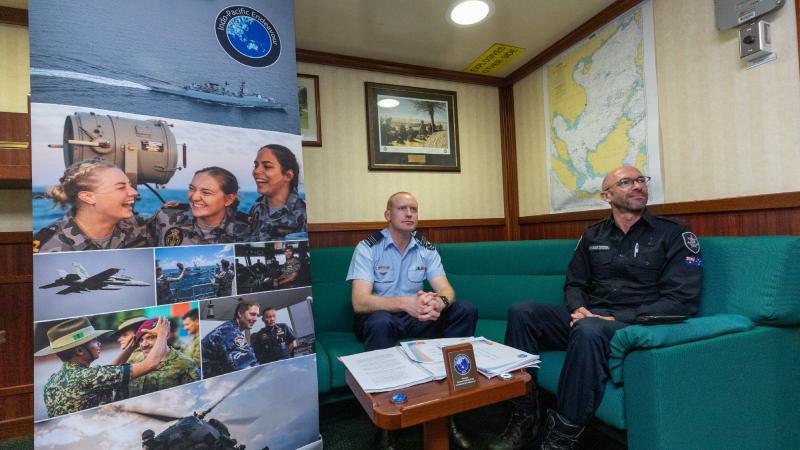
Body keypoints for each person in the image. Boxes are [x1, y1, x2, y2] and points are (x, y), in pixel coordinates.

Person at [490, 166, 704, 450]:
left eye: (641, 180)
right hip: (591, 317)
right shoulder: (594, 235)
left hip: (634, 322)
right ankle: (525, 415)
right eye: (626, 182)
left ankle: (562, 436)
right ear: (607, 196)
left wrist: (613, 317)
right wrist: (578, 308)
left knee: (588, 329)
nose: (637, 186)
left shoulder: (674, 234)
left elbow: (682, 300)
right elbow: (575, 283)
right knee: (523, 312)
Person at [346, 192, 477, 450]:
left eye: (414, 209)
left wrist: (439, 303)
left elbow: (446, 290)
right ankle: (386, 423)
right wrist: (405, 302)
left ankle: (450, 409)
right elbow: (359, 302)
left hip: (416, 316)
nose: (409, 214)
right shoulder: (368, 248)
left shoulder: (426, 248)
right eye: (402, 208)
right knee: (381, 322)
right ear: (388, 215)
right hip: (379, 317)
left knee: (464, 310)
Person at [36, 316, 169, 418]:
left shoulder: (52, 382)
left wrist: (130, 348)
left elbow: (108, 372)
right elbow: (150, 364)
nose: (99, 343)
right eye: (94, 340)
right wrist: (162, 334)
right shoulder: (89, 376)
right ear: (79, 351)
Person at [33, 159, 149, 253]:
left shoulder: (141, 227)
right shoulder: (46, 246)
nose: (134, 192)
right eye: (121, 187)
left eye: (130, 185)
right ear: (88, 197)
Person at [149, 167, 249, 246]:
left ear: (228, 200)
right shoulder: (166, 216)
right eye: (192, 189)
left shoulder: (246, 231)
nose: (194, 197)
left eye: (206, 193)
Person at [248, 144, 307, 241]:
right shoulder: (256, 209)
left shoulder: (304, 213)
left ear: (288, 175)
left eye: (267, 166)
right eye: (256, 165)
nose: (256, 171)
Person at [128, 318, 199, 397]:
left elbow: (195, 396)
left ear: (165, 335)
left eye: (150, 337)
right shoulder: (134, 359)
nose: (144, 344)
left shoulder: (185, 363)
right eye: (141, 340)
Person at [201, 300, 260, 378]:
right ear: (240, 313)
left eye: (257, 315)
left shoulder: (229, 327)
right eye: (252, 314)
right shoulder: (230, 332)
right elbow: (245, 363)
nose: (256, 318)